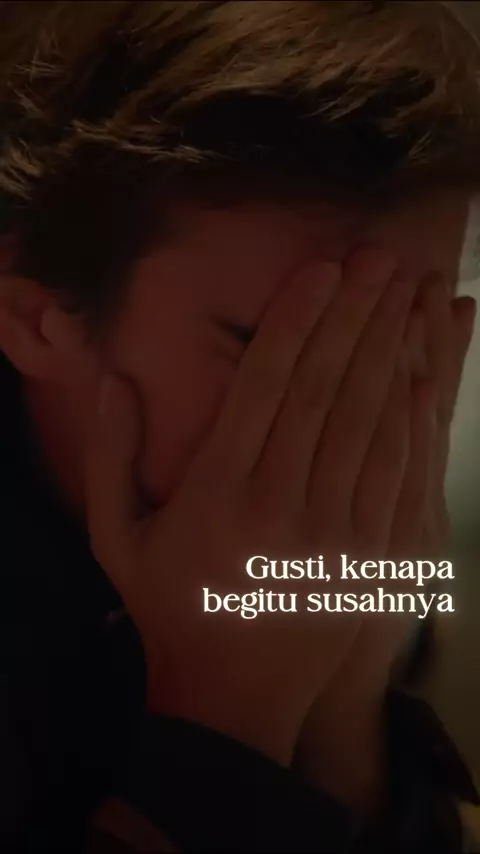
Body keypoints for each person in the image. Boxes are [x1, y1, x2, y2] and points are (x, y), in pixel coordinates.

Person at [0, 1, 479, 851]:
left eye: (402, 342)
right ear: (38, 317)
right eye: (265, 346)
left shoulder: (339, 568)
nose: (354, 413)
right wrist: (224, 715)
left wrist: (342, 716)